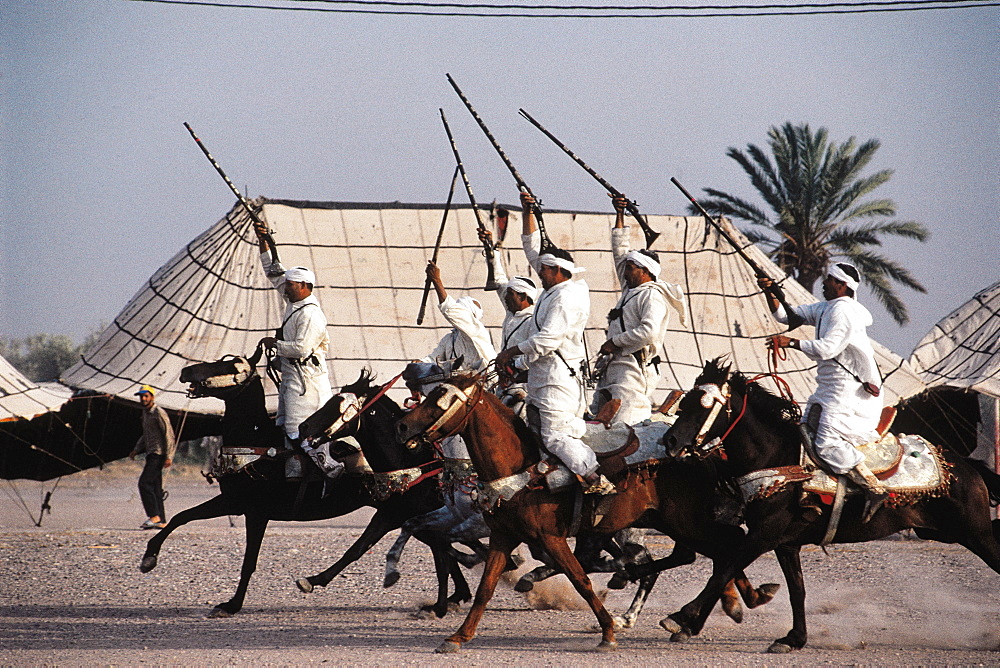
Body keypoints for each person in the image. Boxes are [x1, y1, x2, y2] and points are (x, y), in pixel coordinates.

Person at [495, 192, 614, 495]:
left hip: (556, 379)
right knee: (535, 427)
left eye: (544, 271)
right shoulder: (555, 286)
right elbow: (532, 251)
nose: (539, 274)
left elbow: (548, 340)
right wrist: (527, 212)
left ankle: (595, 478)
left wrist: (512, 352)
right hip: (543, 376)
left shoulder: (565, 296)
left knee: (554, 436)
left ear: (559, 270)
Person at [759, 263, 887, 521]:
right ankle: (808, 493)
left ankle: (873, 487)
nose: (824, 282)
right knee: (804, 432)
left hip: (849, 393)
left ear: (842, 285)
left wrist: (790, 342)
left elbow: (828, 348)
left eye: (829, 279)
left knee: (826, 443)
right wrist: (770, 291)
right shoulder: (826, 307)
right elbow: (788, 316)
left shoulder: (844, 312)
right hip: (829, 389)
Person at [590, 195, 686, 426]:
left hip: (633, 368)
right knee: (597, 418)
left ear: (645, 271)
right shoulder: (631, 289)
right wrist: (620, 214)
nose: (625, 272)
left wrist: (616, 341)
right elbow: (620, 251)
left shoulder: (652, 295)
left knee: (627, 420)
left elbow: (649, 332)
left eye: (631, 268)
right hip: (615, 366)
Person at [252, 220, 333, 449]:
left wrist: (275, 344)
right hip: (292, 378)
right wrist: (263, 240)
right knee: (286, 428)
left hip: (307, 383)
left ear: (305, 286)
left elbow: (301, 348)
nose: (285, 287)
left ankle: (328, 473)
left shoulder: (311, 315)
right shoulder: (294, 301)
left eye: (291, 284)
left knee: (301, 433)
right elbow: (273, 272)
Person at [478, 225, 539, 414]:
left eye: (510, 294)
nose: (506, 297)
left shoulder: (533, 321)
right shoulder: (512, 312)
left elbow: (534, 356)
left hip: (525, 388)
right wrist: (490, 250)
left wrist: (512, 364)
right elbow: (500, 280)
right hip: (505, 384)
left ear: (524, 298)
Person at [422, 260, 497, 373]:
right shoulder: (449, 339)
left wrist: (436, 280)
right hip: (458, 386)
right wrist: (419, 363)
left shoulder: (476, 330)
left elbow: (451, 310)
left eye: (461, 313)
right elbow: (433, 359)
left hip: (484, 385)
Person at [129, 385, 177, 529]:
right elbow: (146, 435)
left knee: (144, 483)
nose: (143, 399)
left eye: (146, 396)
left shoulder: (158, 413)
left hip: (159, 454)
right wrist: (136, 450)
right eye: (141, 396)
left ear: (152, 397)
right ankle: (162, 520)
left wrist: (169, 456)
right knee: (156, 488)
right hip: (151, 453)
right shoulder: (145, 413)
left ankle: (153, 516)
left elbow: (168, 435)